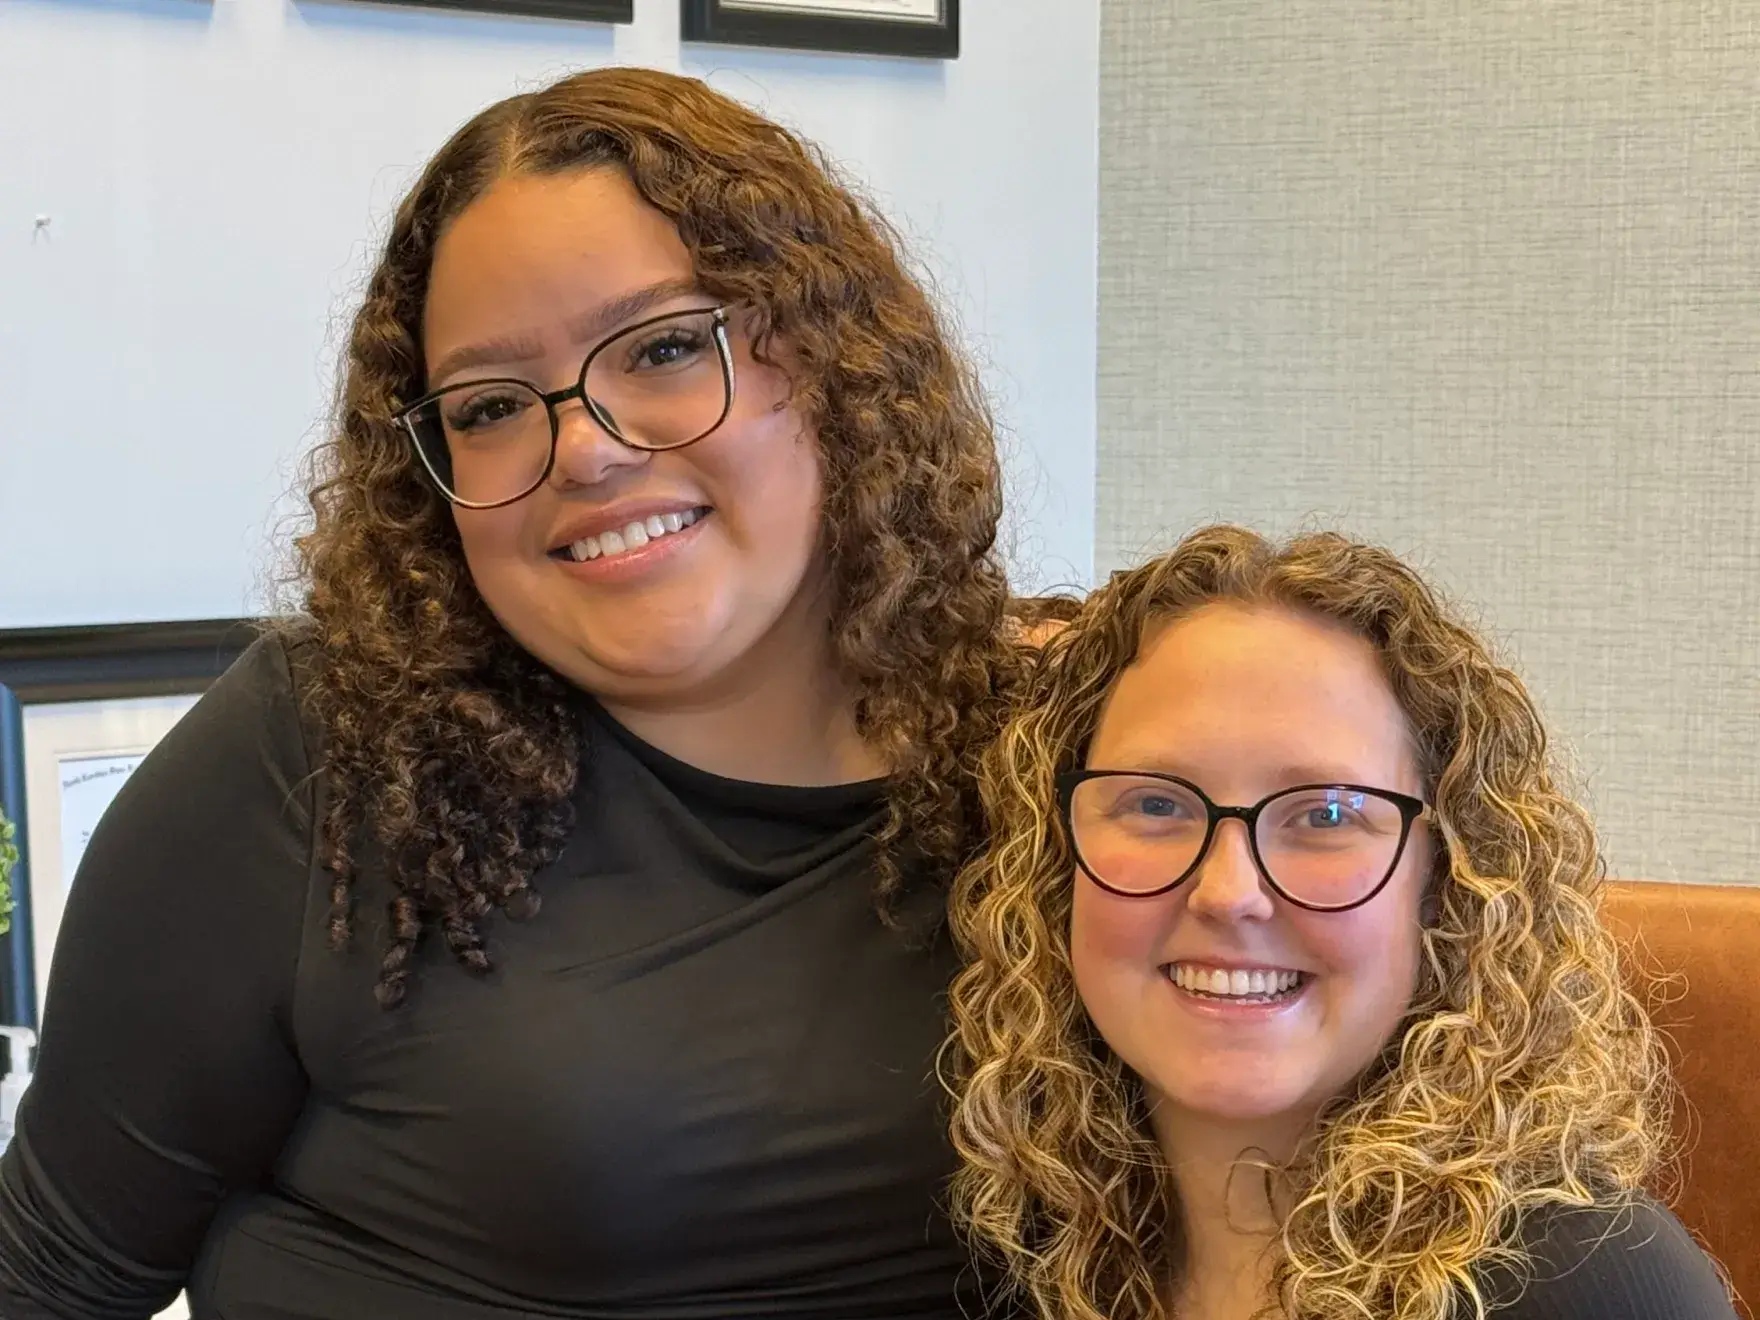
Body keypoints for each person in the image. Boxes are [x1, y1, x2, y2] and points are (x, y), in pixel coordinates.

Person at [0, 67, 1039, 1319]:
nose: (586, 447)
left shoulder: (1055, 764)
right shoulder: (320, 757)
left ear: (833, 359)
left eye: (662, 346)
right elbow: (47, 1275)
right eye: (491, 406)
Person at [946, 526, 1740, 1320]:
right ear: (1051, 862)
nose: (1228, 892)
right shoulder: (1018, 1247)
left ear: (1450, 883)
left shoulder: (1595, 1287)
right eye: (1155, 803)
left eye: (1326, 814)